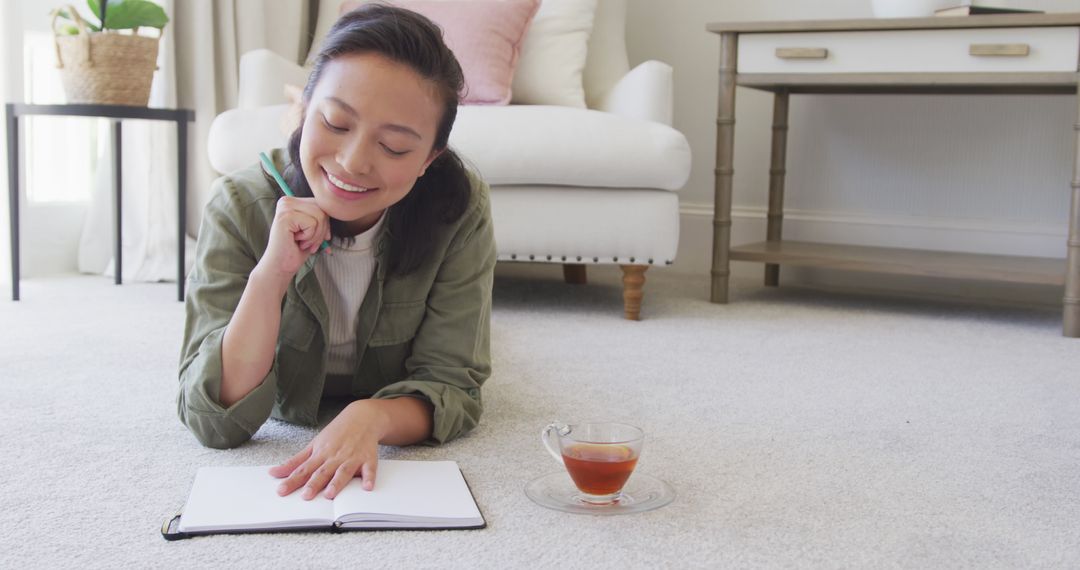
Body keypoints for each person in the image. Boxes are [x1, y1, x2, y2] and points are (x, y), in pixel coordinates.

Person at [177, 4, 495, 502]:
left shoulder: (458, 208)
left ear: (429, 160)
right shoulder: (238, 206)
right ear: (303, 110)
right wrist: (271, 276)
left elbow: (452, 385)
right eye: (335, 122)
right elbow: (214, 419)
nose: (353, 162)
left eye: (393, 147)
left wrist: (373, 415)